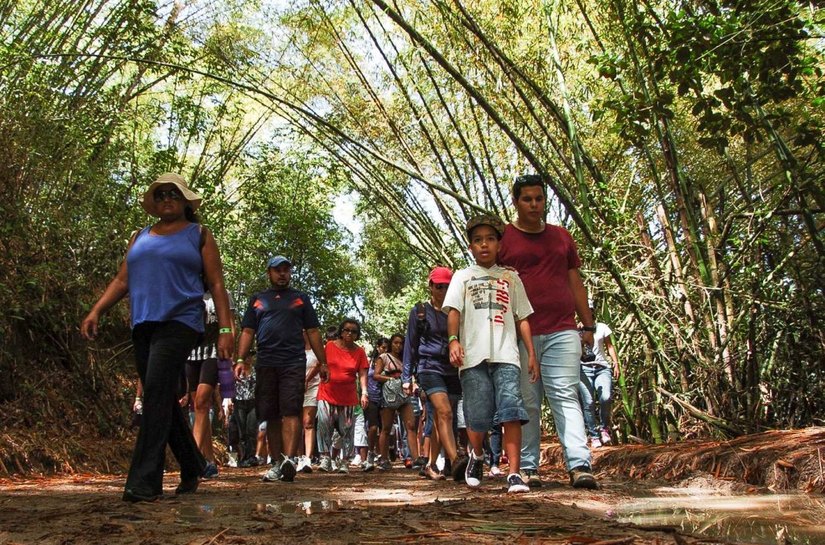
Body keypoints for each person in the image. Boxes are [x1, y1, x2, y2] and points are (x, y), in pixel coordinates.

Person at [81, 172, 235, 502]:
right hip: (143, 324)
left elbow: (217, 284)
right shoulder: (140, 236)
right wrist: (97, 311)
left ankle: (144, 481)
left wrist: (225, 329)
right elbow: (123, 280)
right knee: (160, 395)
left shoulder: (200, 234)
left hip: (180, 323)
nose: (167, 198)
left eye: (174, 194)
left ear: (185, 202)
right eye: (162, 194)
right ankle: (193, 463)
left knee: (154, 396)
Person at [498, 173, 599, 489]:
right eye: (527, 199)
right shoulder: (503, 238)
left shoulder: (561, 237)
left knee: (565, 395)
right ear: (515, 202)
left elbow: (575, 281)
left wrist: (588, 324)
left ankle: (580, 465)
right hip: (521, 333)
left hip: (562, 328)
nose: (534, 204)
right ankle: (528, 467)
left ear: (545, 201)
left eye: (539, 198)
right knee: (527, 402)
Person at [443, 214, 539, 494]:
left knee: (511, 410)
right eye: (477, 240)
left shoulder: (511, 277)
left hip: (507, 354)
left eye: (490, 239)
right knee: (477, 414)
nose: (484, 245)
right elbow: (453, 312)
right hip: (472, 356)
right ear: (470, 247)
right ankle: (478, 455)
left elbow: (522, 317)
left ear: (499, 244)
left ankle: (514, 473)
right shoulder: (462, 276)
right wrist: (453, 341)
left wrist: (531, 353)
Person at [235, 256, 328, 483]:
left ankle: (289, 460)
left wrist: (323, 362)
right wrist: (240, 359)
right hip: (266, 361)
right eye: (278, 270)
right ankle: (276, 462)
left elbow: (313, 331)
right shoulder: (258, 300)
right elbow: (248, 331)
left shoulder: (300, 299)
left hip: (293, 361)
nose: (282, 274)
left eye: (286, 270)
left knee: (290, 410)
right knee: (270, 413)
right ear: (269, 272)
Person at [402, 267, 466, 482]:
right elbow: (410, 345)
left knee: (443, 417)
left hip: (452, 370)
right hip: (429, 368)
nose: (443, 290)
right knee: (445, 412)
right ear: (430, 286)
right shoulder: (420, 311)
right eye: (439, 286)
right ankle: (455, 459)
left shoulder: (455, 311)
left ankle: (430, 465)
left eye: (447, 286)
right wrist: (406, 377)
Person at [186, 290, 237, 478]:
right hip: (190, 351)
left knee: (201, 402)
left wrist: (230, 355)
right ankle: (208, 461)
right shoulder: (189, 291)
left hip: (214, 350)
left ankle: (192, 460)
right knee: (198, 407)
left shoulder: (223, 294)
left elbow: (231, 325)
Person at [316, 318, 369, 473]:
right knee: (324, 425)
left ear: (357, 335)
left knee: (347, 429)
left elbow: (363, 373)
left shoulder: (359, 352)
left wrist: (364, 392)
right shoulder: (330, 346)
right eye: (346, 330)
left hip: (348, 396)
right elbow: (320, 364)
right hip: (327, 393)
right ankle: (325, 458)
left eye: (353, 331)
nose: (349, 333)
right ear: (341, 331)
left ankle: (345, 461)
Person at [374, 334, 419, 471]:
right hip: (390, 396)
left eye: (401, 343)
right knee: (386, 428)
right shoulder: (384, 357)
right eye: (395, 343)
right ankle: (383, 459)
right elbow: (376, 375)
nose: (398, 346)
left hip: (404, 395)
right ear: (391, 343)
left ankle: (416, 459)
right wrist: (391, 379)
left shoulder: (406, 359)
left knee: (410, 425)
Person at [578, 310, 620, 447]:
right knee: (588, 402)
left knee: (605, 397)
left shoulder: (602, 327)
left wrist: (616, 363)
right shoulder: (577, 329)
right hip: (584, 369)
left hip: (602, 367)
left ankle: (604, 428)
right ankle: (594, 435)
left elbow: (609, 346)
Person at [363, 337, 389, 471]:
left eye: (387, 348)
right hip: (372, 397)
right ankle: (370, 453)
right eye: (383, 347)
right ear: (378, 347)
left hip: (385, 398)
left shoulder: (389, 361)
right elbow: (364, 378)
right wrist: (363, 394)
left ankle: (383, 457)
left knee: (385, 429)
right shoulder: (370, 361)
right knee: (373, 428)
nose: (385, 350)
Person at [298, 330, 321, 472]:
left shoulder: (315, 350)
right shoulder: (293, 350)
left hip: (313, 388)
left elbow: (320, 364)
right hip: (295, 388)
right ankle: (298, 456)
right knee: (297, 424)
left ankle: (308, 458)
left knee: (308, 423)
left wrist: (306, 380)